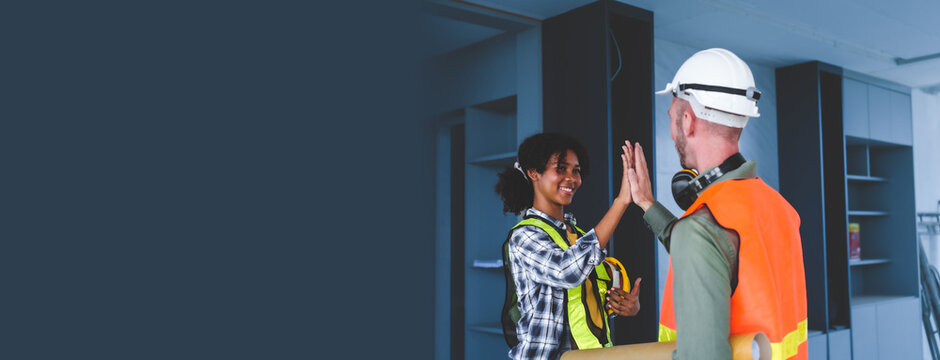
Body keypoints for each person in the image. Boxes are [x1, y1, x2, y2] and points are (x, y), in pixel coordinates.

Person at [623, 48, 808, 360]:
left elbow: (708, 246)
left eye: (671, 117)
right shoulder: (778, 207)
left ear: (688, 121)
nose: (672, 131)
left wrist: (685, 230)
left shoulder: (702, 228)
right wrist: (647, 204)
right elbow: (724, 260)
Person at [495, 132, 642, 360]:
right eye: (561, 169)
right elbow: (566, 272)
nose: (571, 178)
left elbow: (581, 309)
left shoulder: (581, 238)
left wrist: (623, 306)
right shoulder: (524, 236)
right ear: (534, 172)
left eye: (576, 170)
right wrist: (622, 201)